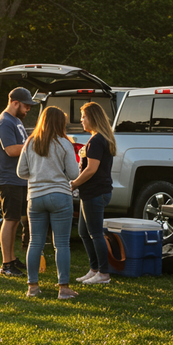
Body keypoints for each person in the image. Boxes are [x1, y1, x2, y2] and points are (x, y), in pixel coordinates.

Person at [17, 106, 80, 299]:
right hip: (60, 195)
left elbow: (21, 172)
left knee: (35, 242)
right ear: (60, 123)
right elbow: (74, 174)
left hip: (35, 197)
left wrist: (37, 175)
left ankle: (33, 287)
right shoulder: (64, 143)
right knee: (61, 243)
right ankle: (63, 288)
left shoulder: (30, 142)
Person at [71, 102, 117, 285]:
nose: (81, 120)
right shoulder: (98, 138)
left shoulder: (97, 140)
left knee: (95, 233)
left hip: (95, 192)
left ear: (93, 118)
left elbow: (91, 169)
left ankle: (104, 274)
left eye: (84, 117)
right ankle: (94, 269)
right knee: (83, 231)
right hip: (92, 192)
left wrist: (73, 184)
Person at [0, 87, 34, 277]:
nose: (28, 110)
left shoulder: (16, 120)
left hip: (19, 179)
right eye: (26, 106)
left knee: (16, 220)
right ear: (15, 102)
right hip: (8, 179)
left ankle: (12, 258)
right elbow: (10, 149)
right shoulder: (4, 122)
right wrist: (35, 144)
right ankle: (6, 264)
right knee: (10, 220)